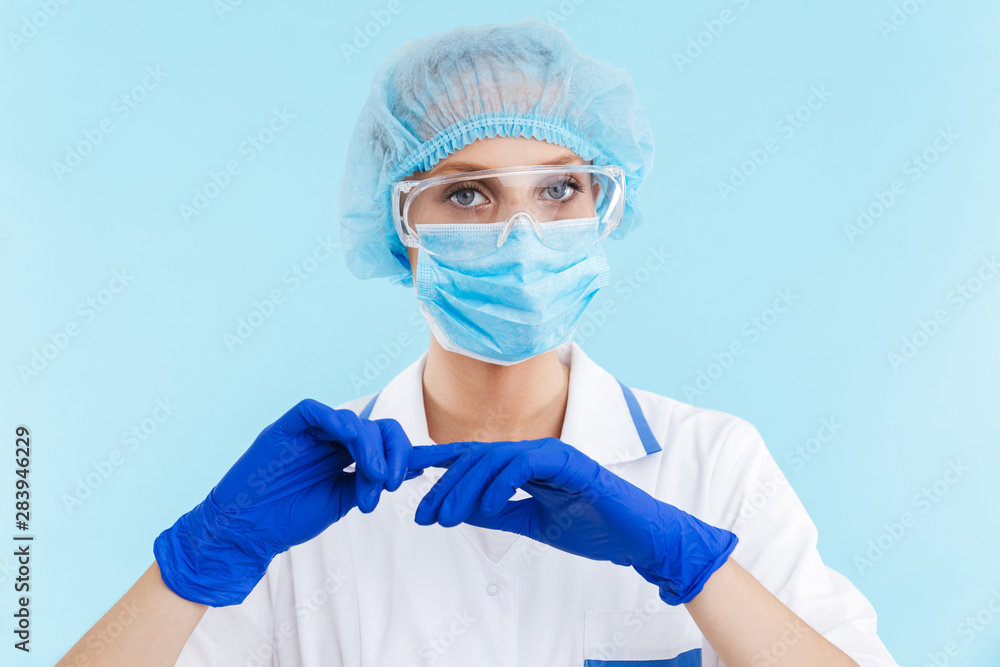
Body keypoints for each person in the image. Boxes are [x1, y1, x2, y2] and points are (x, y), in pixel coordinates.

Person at [58, 18, 901, 667]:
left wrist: (699, 568)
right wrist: (193, 563)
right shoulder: (298, 500)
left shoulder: (710, 466)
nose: (522, 235)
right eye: (467, 195)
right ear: (400, 223)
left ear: (604, 207)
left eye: (560, 188)